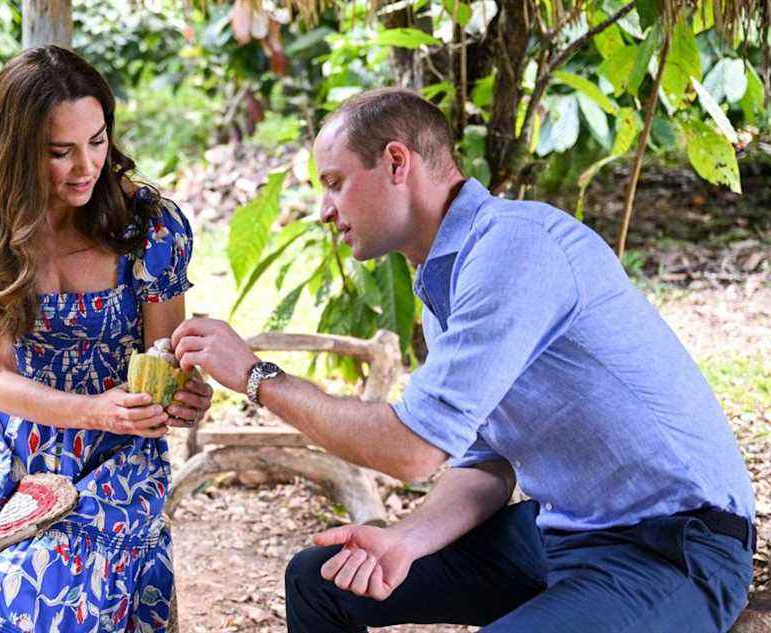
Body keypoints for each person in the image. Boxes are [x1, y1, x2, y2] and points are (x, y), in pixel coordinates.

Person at [170, 88, 756, 632]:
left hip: (673, 545)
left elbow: (411, 449)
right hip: (563, 530)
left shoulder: (515, 248)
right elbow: (484, 464)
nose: (325, 210)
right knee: (316, 579)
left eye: (335, 182)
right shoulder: (445, 283)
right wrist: (404, 540)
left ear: (397, 163)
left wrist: (256, 377)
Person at [0, 46, 212, 633]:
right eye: (59, 152)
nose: (86, 166)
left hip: (117, 459)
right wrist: (93, 408)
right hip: (12, 449)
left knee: (16, 606)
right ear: (15, 151)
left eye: (96, 141)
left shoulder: (150, 228)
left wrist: (184, 398)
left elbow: (164, 366)